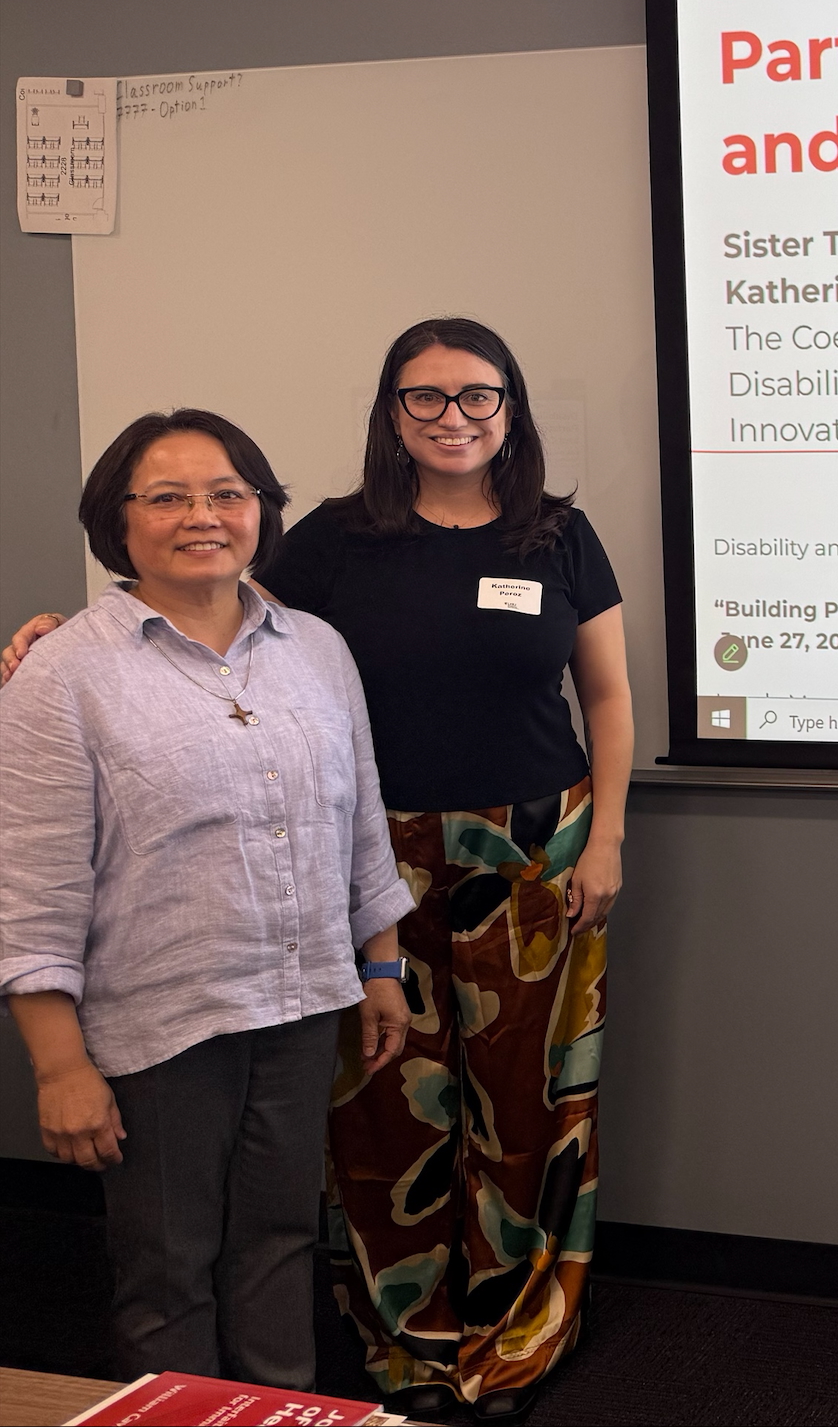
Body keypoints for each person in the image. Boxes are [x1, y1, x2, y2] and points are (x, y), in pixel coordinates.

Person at [5, 317, 631, 1422]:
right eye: (425, 397)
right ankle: (389, 1339)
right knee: (380, 1121)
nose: (453, 417)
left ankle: (502, 1334)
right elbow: (188, 619)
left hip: (511, 866)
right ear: (390, 411)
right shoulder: (330, 544)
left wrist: (609, 836)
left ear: (511, 409)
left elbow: (604, 697)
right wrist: (45, 639)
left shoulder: (545, 540)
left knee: (511, 1119)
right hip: (330, 885)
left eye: (478, 396)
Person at [0, 410, 414, 1389]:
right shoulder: (63, 671)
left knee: (277, 1245)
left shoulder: (316, 649)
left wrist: (383, 964)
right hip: (159, 1025)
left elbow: (360, 820)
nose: (204, 515)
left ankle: (279, 1408)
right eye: (169, 496)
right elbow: (32, 881)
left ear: (263, 513)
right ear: (117, 518)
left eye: (229, 493)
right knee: (166, 1272)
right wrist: (59, 1065)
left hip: (304, 1002)